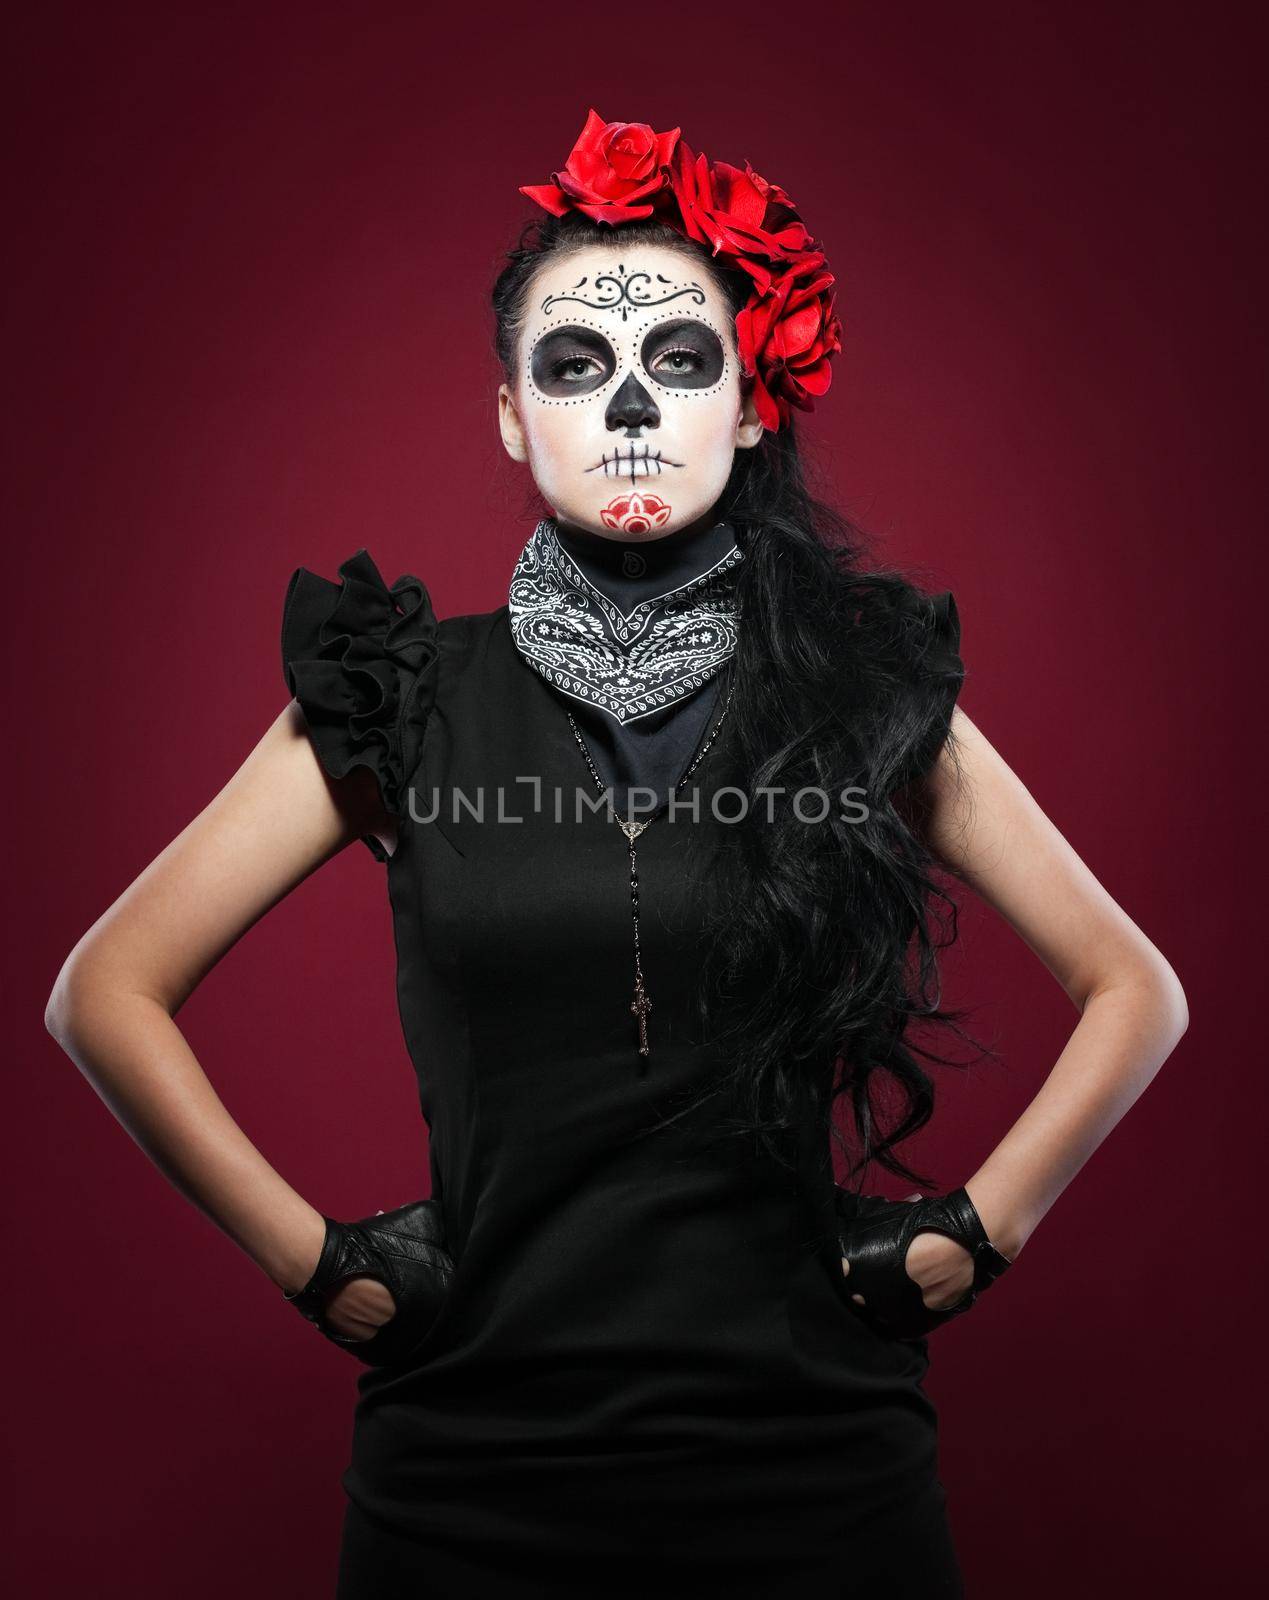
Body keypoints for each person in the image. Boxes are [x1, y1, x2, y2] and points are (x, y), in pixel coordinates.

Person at [44, 109, 1189, 1598]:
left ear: (752, 406)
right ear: (513, 417)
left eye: (682, 362)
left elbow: (1134, 987)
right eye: (576, 368)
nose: (632, 405)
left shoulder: (858, 683)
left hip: (818, 1474)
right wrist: (316, 1268)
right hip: (466, 1476)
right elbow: (105, 992)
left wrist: (981, 1231)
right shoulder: (398, 694)